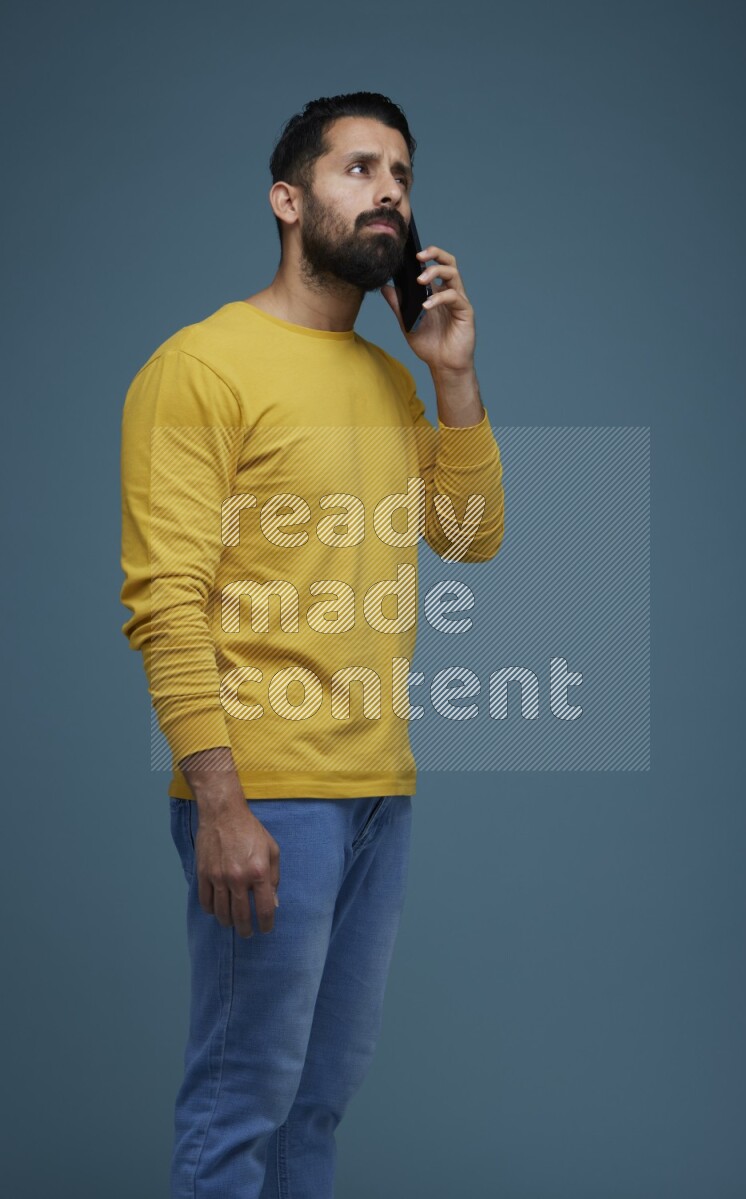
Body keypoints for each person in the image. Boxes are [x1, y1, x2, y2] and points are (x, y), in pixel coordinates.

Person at [119, 90, 504, 1199]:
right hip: (266, 792)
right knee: (242, 1106)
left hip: (379, 786)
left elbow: (469, 540)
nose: (388, 189)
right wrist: (221, 800)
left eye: (402, 174)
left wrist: (452, 375)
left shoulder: (391, 380)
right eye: (358, 167)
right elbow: (165, 597)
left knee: (314, 1106)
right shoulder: (200, 366)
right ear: (288, 200)